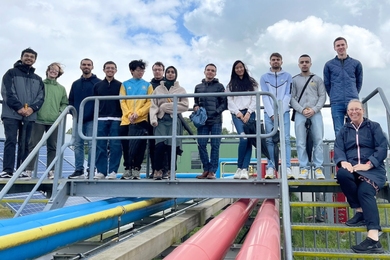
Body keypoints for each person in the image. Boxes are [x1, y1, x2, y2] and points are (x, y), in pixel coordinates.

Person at [334, 99, 387, 254]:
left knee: (365, 192)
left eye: (357, 109)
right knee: (342, 174)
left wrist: (369, 164)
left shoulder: (374, 127)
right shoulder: (344, 130)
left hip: (372, 169)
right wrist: (343, 161)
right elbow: (338, 149)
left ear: (363, 110)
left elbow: (382, 148)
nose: (354, 112)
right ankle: (359, 210)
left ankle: (373, 238)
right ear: (347, 113)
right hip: (353, 169)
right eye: (351, 110)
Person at [0, 48, 45, 179]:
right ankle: (7, 170)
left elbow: (41, 97)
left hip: (30, 115)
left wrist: (32, 108)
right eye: (27, 56)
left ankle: (23, 170)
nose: (29, 58)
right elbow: (7, 92)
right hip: (11, 114)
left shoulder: (38, 78)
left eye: (32, 57)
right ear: (21, 57)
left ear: (35, 60)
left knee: (25, 143)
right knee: (11, 141)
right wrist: (19, 107)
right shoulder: (10, 73)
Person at [25, 62, 68, 179]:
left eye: (56, 70)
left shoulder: (61, 89)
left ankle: (51, 171)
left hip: (54, 122)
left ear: (59, 73)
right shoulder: (39, 84)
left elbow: (64, 103)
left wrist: (60, 112)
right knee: (33, 145)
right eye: (52, 69)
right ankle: (28, 170)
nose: (54, 71)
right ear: (48, 71)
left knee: (52, 147)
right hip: (38, 119)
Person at [149, 66, 189, 180]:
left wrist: (166, 107)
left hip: (173, 120)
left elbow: (185, 106)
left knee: (172, 147)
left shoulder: (181, 90)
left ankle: (172, 171)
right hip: (161, 120)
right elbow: (153, 105)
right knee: (159, 145)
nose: (170, 74)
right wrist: (153, 119)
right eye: (168, 72)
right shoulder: (158, 90)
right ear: (165, 74)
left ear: (176, 74)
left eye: (172, 72)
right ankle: (158, 170)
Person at [291, 55, 326, 180]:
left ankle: (318, 168)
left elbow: (322, 96)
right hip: (300, 113)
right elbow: (291, 98)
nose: (304, 64)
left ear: (311, 63)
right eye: (302, 62)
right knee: (300, 142)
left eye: (306, 62)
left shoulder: (317, 79)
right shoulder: (294, 80)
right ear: (298, 64)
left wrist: (314, 109)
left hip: (315, 113)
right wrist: (301, 109)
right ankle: (303, 168)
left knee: (318, 140)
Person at [260, 53, 293, 179]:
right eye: (273, 60)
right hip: (269, 113)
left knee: (286, 139)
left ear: (281, 62)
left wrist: (280, 112)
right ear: (270, 62)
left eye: (278, 60)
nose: (275, 62)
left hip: (284, 112)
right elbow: (265, 96)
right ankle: (270, 167)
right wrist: (272, 113)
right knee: (269, 139)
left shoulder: (288, 76)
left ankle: (287, 167)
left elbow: (288, 95)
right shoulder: (264, 77)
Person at [119, 59, 153, 180]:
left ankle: (136, 170)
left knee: (140, 146)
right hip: (126, 120)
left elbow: (150, 102)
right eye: (138, 70)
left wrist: (138, 113)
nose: (141, 72)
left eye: (142, 70)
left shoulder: (148, 85)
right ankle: (128, 168)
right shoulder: (125, 84)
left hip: (141, 120)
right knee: (126, 146)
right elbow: (122, 101)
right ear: (132, 71)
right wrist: (129, 114)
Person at [68, 58, 101, 179]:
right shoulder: (75, 83)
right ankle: (78, 170)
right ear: (80, 66)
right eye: (84, 64)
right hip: (78, 119)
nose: (86, 66)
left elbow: (101, 102)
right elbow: (71, 100)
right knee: (78, 144)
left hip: (92, 119)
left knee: (92, 144)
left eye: (88, 65)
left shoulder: (98, 83)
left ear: (92, 67)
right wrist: (74, 114)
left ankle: (91, 169)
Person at [323, 36, 363, 136]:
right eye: (338, 45)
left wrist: (353, 94)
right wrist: (333, 95)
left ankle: (354, 151)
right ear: (334, 48)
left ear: (346, 46)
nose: (340, 47)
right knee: (338, 130)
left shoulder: (356, 63)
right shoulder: (329, 65)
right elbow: (327, 84)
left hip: (352, 101)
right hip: (336, 102)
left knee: (355, 129)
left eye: (342, 45)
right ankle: (341, 152)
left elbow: (359, 82)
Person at [194, 64, 227, 180]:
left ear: (215, 73)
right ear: (204, 72)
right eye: (208, 70)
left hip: (216, 121)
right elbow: (195, 101)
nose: (210, 72)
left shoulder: (220, 86)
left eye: (213, 70)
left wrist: (216, 112)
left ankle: (212, 171)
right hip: (202, 121)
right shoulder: (198, 87)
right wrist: (196, 106)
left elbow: (224, 103)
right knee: (201, 145)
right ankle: (206, 169)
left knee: (215, 146)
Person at [226, 60, 257, 180]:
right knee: (243, 138)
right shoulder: (230, 85)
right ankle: (239, 167)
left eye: (241, 67)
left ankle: (245, 169)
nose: (239, 69)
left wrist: (248, 113)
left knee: (249, 141)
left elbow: (255, 99)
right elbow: (229, 101)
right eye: (237, 68)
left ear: (244, 68)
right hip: (237, 114)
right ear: (234, 70)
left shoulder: (252, 83)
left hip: (250, 114)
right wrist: (239, 113)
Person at [93, 61, 122, 180]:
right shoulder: (97, 86)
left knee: (116, 145)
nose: (110, 70)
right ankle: (101, 171)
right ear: (104, 70)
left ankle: (113, 171)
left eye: (112, 68)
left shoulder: (120, 85)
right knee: (100, 145)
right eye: (108, 68)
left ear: (116, 70)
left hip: (116, 118)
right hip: (101, 118)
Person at [147, 61, 166, 179]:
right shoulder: (148, 85)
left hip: (164, 119)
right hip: (151, 118)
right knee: (152, 145)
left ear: (163, 71)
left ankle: (165, 169)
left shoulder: (168, 84)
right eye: (155, 70)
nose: (157, 72)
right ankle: (155, 169)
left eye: (159, 69)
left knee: (165, 145)